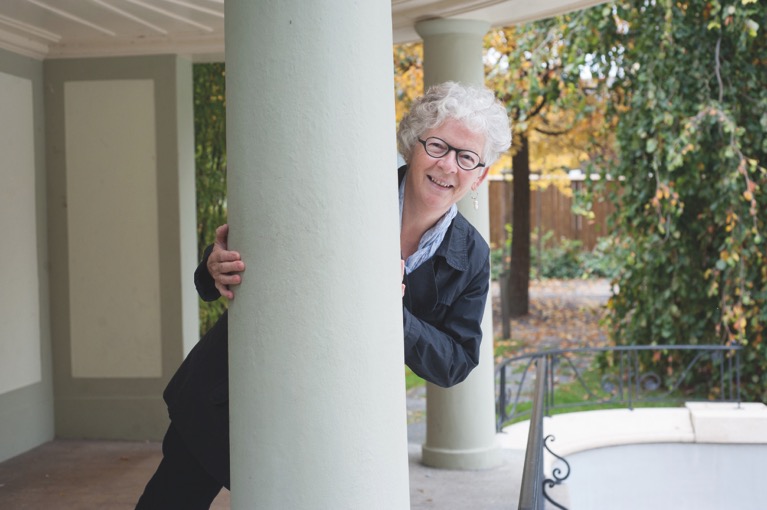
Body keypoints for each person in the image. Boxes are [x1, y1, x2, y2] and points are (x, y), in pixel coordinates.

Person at [136, 81, 511, 509]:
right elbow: (250, 255)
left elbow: (455, 361)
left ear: (480, 175)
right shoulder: (342, 193)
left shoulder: (473, 256)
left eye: (467, 157)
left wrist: (393, 314)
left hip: (332, 425)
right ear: (412, 144)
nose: (448, 166)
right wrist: (213, 266)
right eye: (438, 146)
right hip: (228, 394)